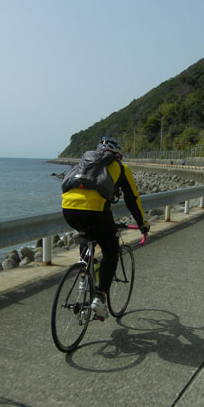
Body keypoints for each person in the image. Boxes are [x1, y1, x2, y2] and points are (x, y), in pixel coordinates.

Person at [61, 137, 148, 321]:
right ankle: (100, 297)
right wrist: (142, 223)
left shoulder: (84, 163)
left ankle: (85, 273)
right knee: (111, 251)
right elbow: (132, 198)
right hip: (97, 211)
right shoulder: (121, 168)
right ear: (116, 154)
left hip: (68, 209)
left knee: (87, 234)